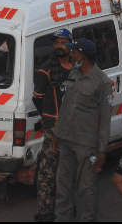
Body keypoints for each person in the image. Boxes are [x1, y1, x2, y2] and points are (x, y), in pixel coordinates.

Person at [54, 38, 112, 222]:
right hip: (66, 139)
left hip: (87, 145)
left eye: (74, 52)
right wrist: (58, 134)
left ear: (83, 57)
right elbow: (65, 106)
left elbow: (105, 117)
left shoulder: (102, 82)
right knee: (62, 185)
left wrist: (102, 149)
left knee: (86, 188)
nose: (71, 54)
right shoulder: (74, 73)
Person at [32, 29, 74, 222]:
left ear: (71, 44)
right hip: (54, 129)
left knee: (70, 172)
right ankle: (44, 211)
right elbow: (37, 98)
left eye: (63, 42)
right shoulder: (46, 70)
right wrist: (47, 118)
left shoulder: (78, 68)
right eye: (56, 43)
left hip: (75, 130)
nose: (59, 46)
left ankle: (66, 208)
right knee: (47, 172)